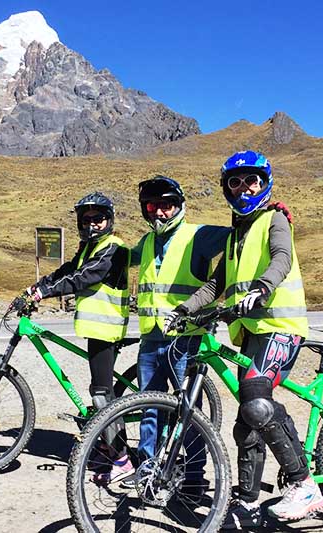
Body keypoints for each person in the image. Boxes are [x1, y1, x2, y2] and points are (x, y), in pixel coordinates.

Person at [166, 151, 323, 528]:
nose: (244, 188)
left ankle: (304, 485)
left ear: (265, 182)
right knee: (245, 423)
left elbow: (282, 258)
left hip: (281, 328)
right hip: (253, 333)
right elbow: (216, 284)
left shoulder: (275, 219)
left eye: (251, 180)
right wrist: (185, 309)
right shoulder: (238, 234)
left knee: (255, 403)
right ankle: (248, 501)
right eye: (235, 182)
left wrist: (263, 286)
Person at [130, 175, 231, 503]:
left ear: (179, 205)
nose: (160, 212)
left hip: (186, 340)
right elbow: (116, 262)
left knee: (189, 413)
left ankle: (194, 477)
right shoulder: (145, 242)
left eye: (166, 205)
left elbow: (239, 238)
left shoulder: (198, 236)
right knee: (149, 408)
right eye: (152, 205)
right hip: (151, 339)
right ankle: (148, 471)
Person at [25, 192, 132, 484]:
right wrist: (37, 287)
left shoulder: (114, 248)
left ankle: (122, 459)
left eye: (98, 219)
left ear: (109, 220)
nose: (92, 224)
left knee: (102, 394)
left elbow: (84, 277)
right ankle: (106, 445)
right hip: (95, 330)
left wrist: (45, 293)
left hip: (107, 329)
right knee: (100, 389)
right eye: (87, 220)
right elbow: (68, 270)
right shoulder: (89, 247)